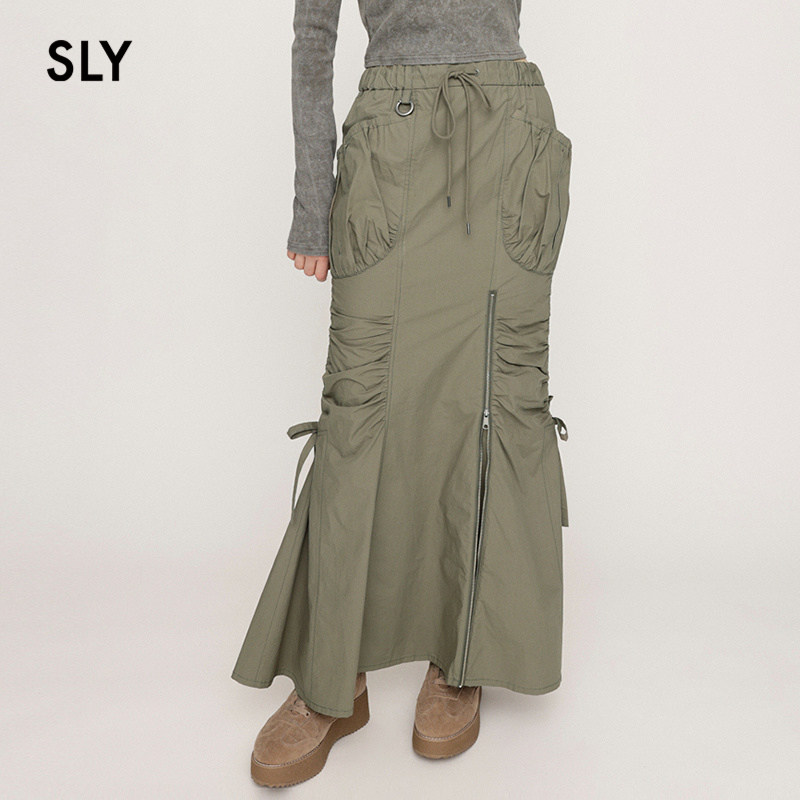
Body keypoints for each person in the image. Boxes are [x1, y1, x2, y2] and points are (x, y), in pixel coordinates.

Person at [232, 0, 573, 787]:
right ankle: (331, 673)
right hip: (391, 144)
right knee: (358, 409)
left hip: (510, 137)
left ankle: (463, 655)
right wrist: (312, 205)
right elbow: (314, 34)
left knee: (494, 399)